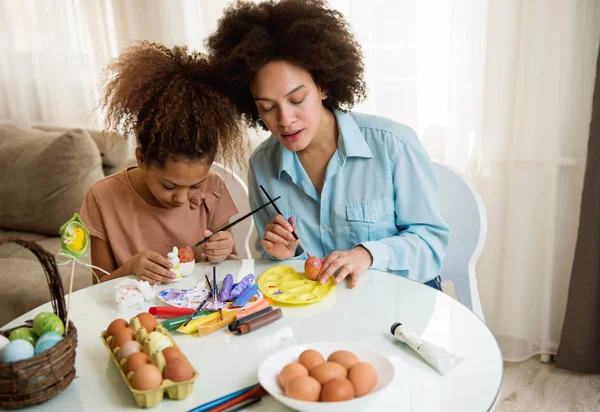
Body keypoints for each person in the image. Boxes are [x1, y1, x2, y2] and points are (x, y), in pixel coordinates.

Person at [206, 0, 450, 290]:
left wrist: (367, 254)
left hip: (401, 306)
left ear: (323, 86)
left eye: (297, 100)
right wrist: (285, 255)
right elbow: (278, 271)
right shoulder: (262, 166)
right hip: (322, 313)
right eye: (268, 107)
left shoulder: (393, 145)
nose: (285, 120)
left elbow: (431, 245)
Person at [80, 41, 248, 284]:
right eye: (169, 186)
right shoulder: (103, 197)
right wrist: (131, 267)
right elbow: (95, 289)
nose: (181, 198)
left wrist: (224, 251)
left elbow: (230, 271)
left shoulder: (214, 187)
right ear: (141, 159)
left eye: (195, 186)